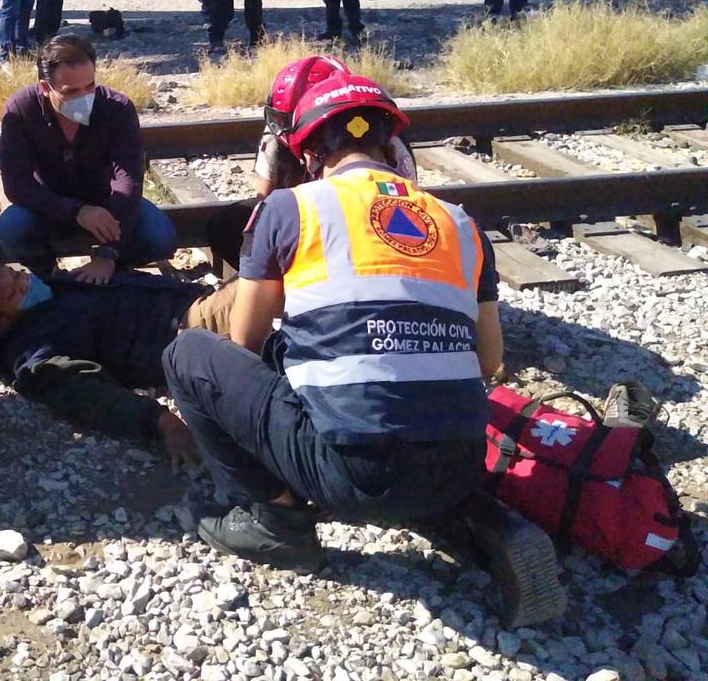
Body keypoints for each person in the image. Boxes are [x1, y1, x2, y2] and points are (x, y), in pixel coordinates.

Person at [163, 69, 504, 570]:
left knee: (189, 355)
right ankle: (458, 516)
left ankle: (278, 524)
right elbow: (489, 361)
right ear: (390, 145)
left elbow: (244, 340)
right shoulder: (461, 222)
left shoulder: (291, 207)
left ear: (308, 154)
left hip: (353, 473)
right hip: (461, 466)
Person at [0, 261, 241, 467]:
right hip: (191, 328)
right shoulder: (32, 348)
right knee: (261, 274)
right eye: (13, 293)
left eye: (17, 274)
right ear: (0, 323)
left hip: (199, 300)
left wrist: (107, 258)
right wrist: (159, 421)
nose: (24, 283)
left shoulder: (59, 288)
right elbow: (87, 396)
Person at [204, 55, 417, 272]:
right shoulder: (277, 133)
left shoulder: (386, 138)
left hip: (364, 219)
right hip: (302, 219)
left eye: (295, 120)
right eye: (282, 120)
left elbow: (407, 203)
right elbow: (262, 202)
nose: (287, 130)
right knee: (226, 224)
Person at [0, 34, 177, 281]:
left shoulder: (117, 108)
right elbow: (17, 184)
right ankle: (48, 274)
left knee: (159, 236)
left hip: (107, 203)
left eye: (90, 87)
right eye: (71, 91)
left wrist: (107, 254)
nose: (84, 97)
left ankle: (115, 272)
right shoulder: (20, 109)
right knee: (13, 228)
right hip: (47, 205)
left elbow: (128, 181)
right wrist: (77, 211)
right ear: (45, 88)